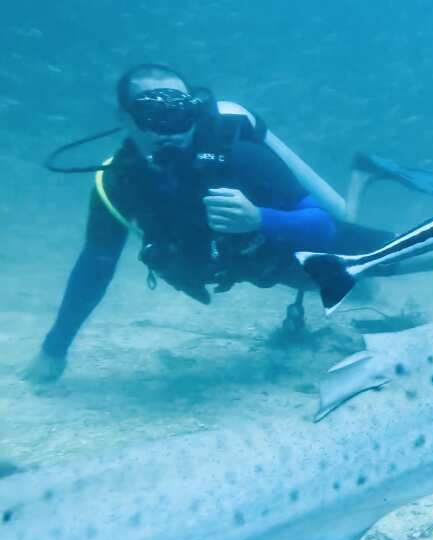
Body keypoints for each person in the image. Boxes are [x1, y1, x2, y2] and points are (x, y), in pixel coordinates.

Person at [21, 64, 396, 383]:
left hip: (283, 244)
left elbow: (320, 226)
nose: (169, 126)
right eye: (153, 112)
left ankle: (363, 176)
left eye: (179, 112)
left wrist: (260, 217)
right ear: (124, 117)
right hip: (251, 264)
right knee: (343, 284)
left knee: (410, 255)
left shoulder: (239, 155)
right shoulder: (118, 180)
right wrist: (54, 350)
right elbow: (96, 264)